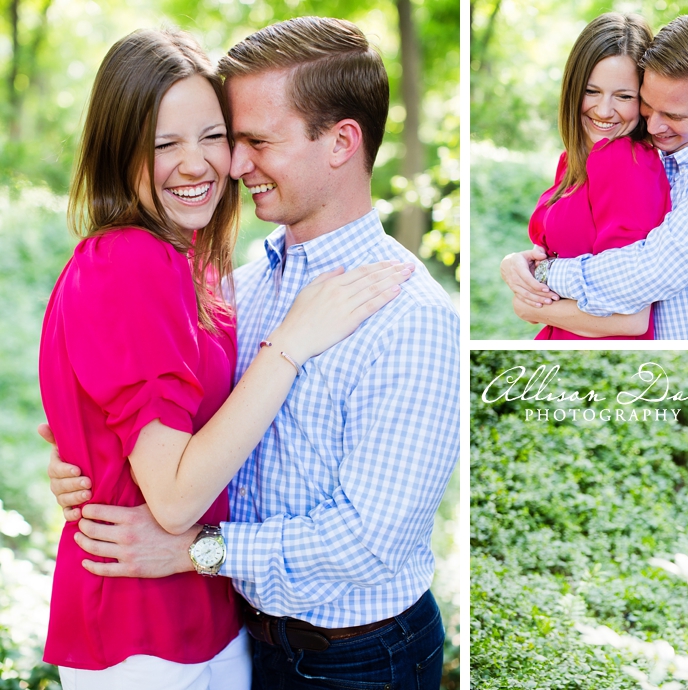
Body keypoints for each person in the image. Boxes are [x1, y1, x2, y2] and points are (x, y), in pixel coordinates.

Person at [45, 17, 460, 690]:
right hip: (243, 637)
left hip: (356, 658)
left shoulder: (409, 318)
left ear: (341, 143)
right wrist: (89, 458)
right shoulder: (241, 285)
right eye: (231, 140)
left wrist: (199, 552)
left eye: (251, 141)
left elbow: (369, 539)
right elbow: (176, 426)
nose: (232, 165)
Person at [500, 14, 688, 340]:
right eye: (647, 105)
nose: (653, 126)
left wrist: (542, 273)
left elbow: (650, 270)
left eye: (673, 115)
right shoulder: (653, 154)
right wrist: (519, 262)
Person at [511, 12, 670, 340]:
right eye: (591, 91)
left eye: (624, 96)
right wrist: (519, 264)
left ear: (644, 101)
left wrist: (528, 307)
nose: (603, 110)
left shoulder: (624, 161)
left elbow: (631, 319)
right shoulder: (573, 161)